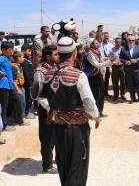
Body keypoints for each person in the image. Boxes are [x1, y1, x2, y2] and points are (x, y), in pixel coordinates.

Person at [33, 36, 102, 186]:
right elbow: (89, 102)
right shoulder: (78, 75)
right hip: (78, 128)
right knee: (77, 165)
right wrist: (96, 116)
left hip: (58, 127)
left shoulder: (47, 73)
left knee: (63, 163)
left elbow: (37, 95)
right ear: (74, 53)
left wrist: (52, 109)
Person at [31, 45, 59, 174]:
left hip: (55, 108)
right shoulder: (40, 72)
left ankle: (54, 159)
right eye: (55, 54)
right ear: (48, 56)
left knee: (55, 136)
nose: (58, 56)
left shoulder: (53, 68)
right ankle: (47, 166)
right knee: (47, 137)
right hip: (46, 109)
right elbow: (38, 95)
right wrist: (50, 109)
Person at [87, 38, 114, 117]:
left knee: (101, 94)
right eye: (94, 43)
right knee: (95, 95)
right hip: (93, 76)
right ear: (90, 44)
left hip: (99, 75)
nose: (96, 44)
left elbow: (101, 60)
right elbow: (97, 65)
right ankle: (94, 113)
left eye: (97, 43)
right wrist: (109, 62)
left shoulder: (98, 52)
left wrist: (109, 59)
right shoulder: (90, 54)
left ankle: (100, 112)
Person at [120, 35, 139, 104]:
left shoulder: (138, 47)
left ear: (135, 40)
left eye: (132, 40)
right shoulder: (123, 48)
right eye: (129, 40)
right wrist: (125, 62)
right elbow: (121, 58)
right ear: (127, 41)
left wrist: (136, 60)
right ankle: (132, 98)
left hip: (137, 69)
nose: (131, 41)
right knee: (130, 84)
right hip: (128, 69)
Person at [10, 51, 29, 126]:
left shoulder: (19, 65)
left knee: (22, 103)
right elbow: (14, 80)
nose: (23, 58)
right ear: (18, 58)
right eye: (22, 57)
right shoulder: (15, 67)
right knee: (20, 104)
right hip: (18, 87)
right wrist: (17, 89)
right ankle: (19, 119)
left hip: (21, 86)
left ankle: (21, 118)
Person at [0, 42, 16, 131]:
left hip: (9, 85)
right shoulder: (1, 58)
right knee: (4, 105)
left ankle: (6, 121)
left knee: (7, 104)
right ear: (3, 50)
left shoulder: (7, 58)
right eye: (10, 50)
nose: (11, 51)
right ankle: (4, 125)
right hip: (3, 85)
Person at [21, 43, 35, 119]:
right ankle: (27, 112)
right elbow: (26, 74)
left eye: (31, 51)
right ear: (23, 51)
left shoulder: (28, 60)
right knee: (28, 98)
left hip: (30, 81)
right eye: (29, 51)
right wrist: (30, 84)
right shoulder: (24, 61)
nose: (30, 53)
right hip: (27, 83)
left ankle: (28, 111)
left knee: (30, 97)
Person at [99, 32, 114, 98]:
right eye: (105, 36)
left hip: (108, 64)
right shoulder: (100, 45)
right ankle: (101, 93)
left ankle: (106, 93)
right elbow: (100, 55)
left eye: (107, 36)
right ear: (103, 37)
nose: (106, 37)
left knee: (107, 79)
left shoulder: (111, 45)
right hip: (101, 64)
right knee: (101, 79)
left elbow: (112, 55)